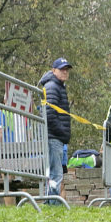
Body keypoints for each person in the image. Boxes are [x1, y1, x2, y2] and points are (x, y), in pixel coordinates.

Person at [39, 57, 72, 203]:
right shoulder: (52, 86)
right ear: (53, 70)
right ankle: (53, 205)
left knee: (53, 173)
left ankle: (49, 203)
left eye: (66, 69)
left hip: (55, 136)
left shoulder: (58, 86)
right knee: (56, 174)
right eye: (62, 69)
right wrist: (62, 132)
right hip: (54, 137)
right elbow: (49, 114)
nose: (65, 72)